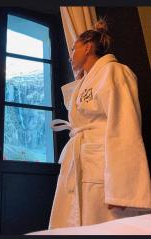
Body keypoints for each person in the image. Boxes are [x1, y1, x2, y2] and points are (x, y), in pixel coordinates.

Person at [49, 19, 151, 229]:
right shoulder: (86, 81)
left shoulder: (115, 72)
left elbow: (125, 125)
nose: (70, 55)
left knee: (103, 226)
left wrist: (124, 187)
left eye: (73, 48)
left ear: (87, 47)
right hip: (81, 163)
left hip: (103, 170)